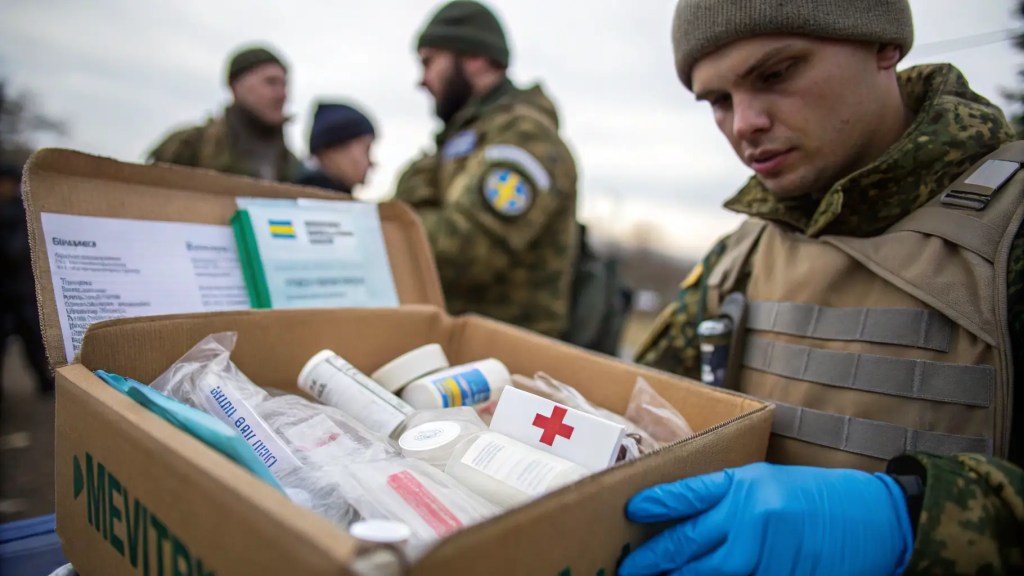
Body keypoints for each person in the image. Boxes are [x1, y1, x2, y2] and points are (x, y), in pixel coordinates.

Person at [623, 0, 1023, 574]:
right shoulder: (738, 257)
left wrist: (917, 517)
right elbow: (643, 410)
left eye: (776, 74)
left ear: (883, 44)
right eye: (718, 100)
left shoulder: (1010, 230)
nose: (744, 123)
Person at [393, 0, 578, 338]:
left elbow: (467, 253)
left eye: (429, 61)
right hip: (464, 344)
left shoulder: (525, 136)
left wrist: (393, 224)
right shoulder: (469, 137)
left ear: (475, 57)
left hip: (506, 355)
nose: (423, 80)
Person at [147, 44, 301, 182]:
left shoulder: (293, 167)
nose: (282, 95)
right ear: (236, 87)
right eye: (271, 82)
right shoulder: (189, 147)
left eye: (284, 85)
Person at [0, 163, 54, 399]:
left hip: (22, 291)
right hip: (9, 291)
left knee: (33, 341)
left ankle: (46, 384)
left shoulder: (22, 212)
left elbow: (18, 251)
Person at [294, 102, 376, 195]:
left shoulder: (298, 198)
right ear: (332, 151)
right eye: (366, 150)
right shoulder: (315, 201)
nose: (372, 163)